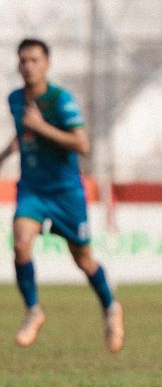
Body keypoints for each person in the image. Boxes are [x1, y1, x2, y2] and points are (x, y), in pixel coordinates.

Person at [0, 38, 124, 352]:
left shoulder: (61, 100)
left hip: (66, 192)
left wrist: (41, 126)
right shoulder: (15, 99)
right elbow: (22, 133)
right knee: (20, 242)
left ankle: (111, 308)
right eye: (23, 60)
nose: (28, 66)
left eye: (34, 60)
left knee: (83, 260)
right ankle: (33, 312)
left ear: (47, 64)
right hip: (32, 188)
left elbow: (83, 145)